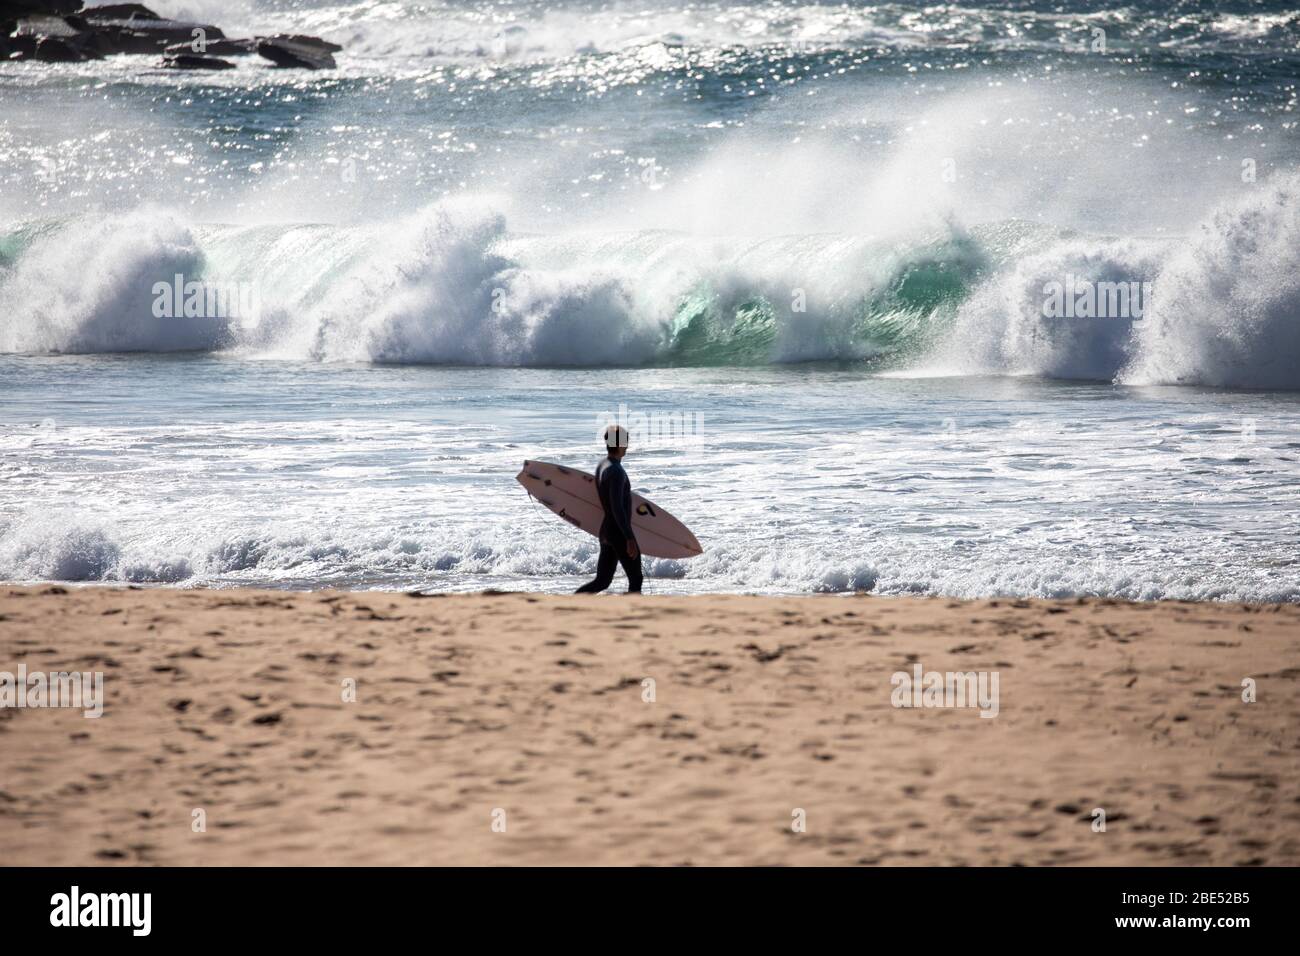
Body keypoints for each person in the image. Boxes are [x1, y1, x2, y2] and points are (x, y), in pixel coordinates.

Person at [576, 424, 643, 594]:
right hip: (618, 532)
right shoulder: (616, 471)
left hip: (606, 530)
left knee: (602, 581)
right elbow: (616, 507)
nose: (627, 446)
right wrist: (629, 537)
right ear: (620, 444)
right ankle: (635, 613)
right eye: (626, 442)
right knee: (636, 578)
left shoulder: (602, 465)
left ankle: (570, 603)